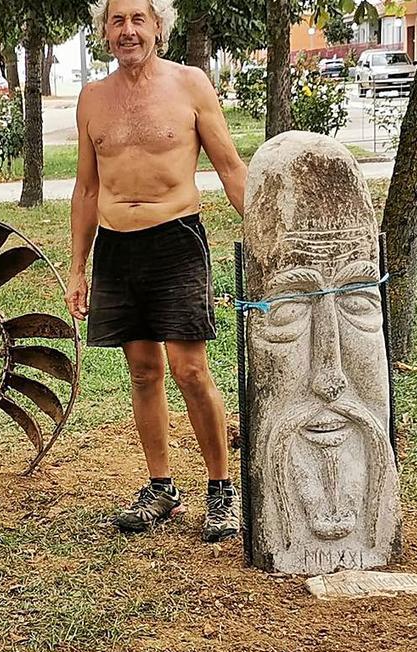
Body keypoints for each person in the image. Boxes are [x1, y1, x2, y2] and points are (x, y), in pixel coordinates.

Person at [68, 0, 248, 541]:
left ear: (158, 27)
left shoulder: (190, 85)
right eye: (118, 21)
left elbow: (231, 167)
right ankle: (161, 488)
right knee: (144, 371)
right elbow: (86, 188)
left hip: (176, 240)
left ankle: (220, 489)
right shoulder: (92, 99)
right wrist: (78, 268)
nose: (128, 31)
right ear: (105, 32)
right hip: (118, 249)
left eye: (138, 19)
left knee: (189, 369)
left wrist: (267, 238)